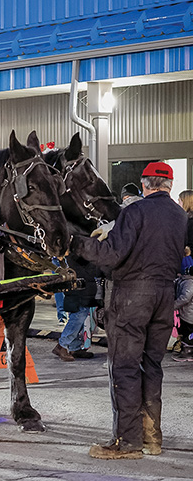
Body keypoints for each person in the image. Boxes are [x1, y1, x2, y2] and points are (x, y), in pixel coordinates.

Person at [71, 161, 187, 459]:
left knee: (124, 366)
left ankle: (127, 441)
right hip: (165, 296)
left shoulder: (135, 211)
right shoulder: (178, 214)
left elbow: (111, 256)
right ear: (170, 185)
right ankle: (152, 438)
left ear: (145, 184)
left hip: (133, 295)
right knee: (152, 365)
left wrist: (79, 243)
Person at [52, 256, 96, 361]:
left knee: (80, 312)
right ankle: (62, 345)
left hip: (79, 279)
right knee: (79, 313)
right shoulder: (74, 252)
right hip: (78, 280)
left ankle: (74, 347)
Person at [173, 265, 193, 362]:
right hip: (188, 312)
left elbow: (185, 298)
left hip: (188, 313)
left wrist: (173, 305)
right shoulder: (188, 282)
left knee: (187, 333)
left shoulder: (189, 282)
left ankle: (187, 352)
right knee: (187, 332)